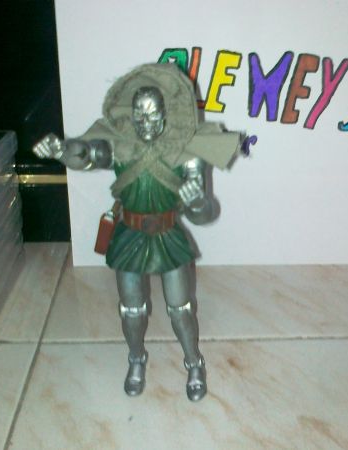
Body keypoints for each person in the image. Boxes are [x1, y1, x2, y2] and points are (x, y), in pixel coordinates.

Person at [33, 63, 241, 401]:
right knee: (131, 310)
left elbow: (205, 215)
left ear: (165, 115)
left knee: (181, 309)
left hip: (168, 235)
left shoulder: (185, 152)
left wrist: (197, 201)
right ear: (131, 116)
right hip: (129, 235)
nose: (146, 123)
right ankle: (136, 358)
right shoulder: (121, 145)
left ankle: (194, 362)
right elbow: (88, 153)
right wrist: (61, 151)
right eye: (139, 116)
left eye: (153, 115)